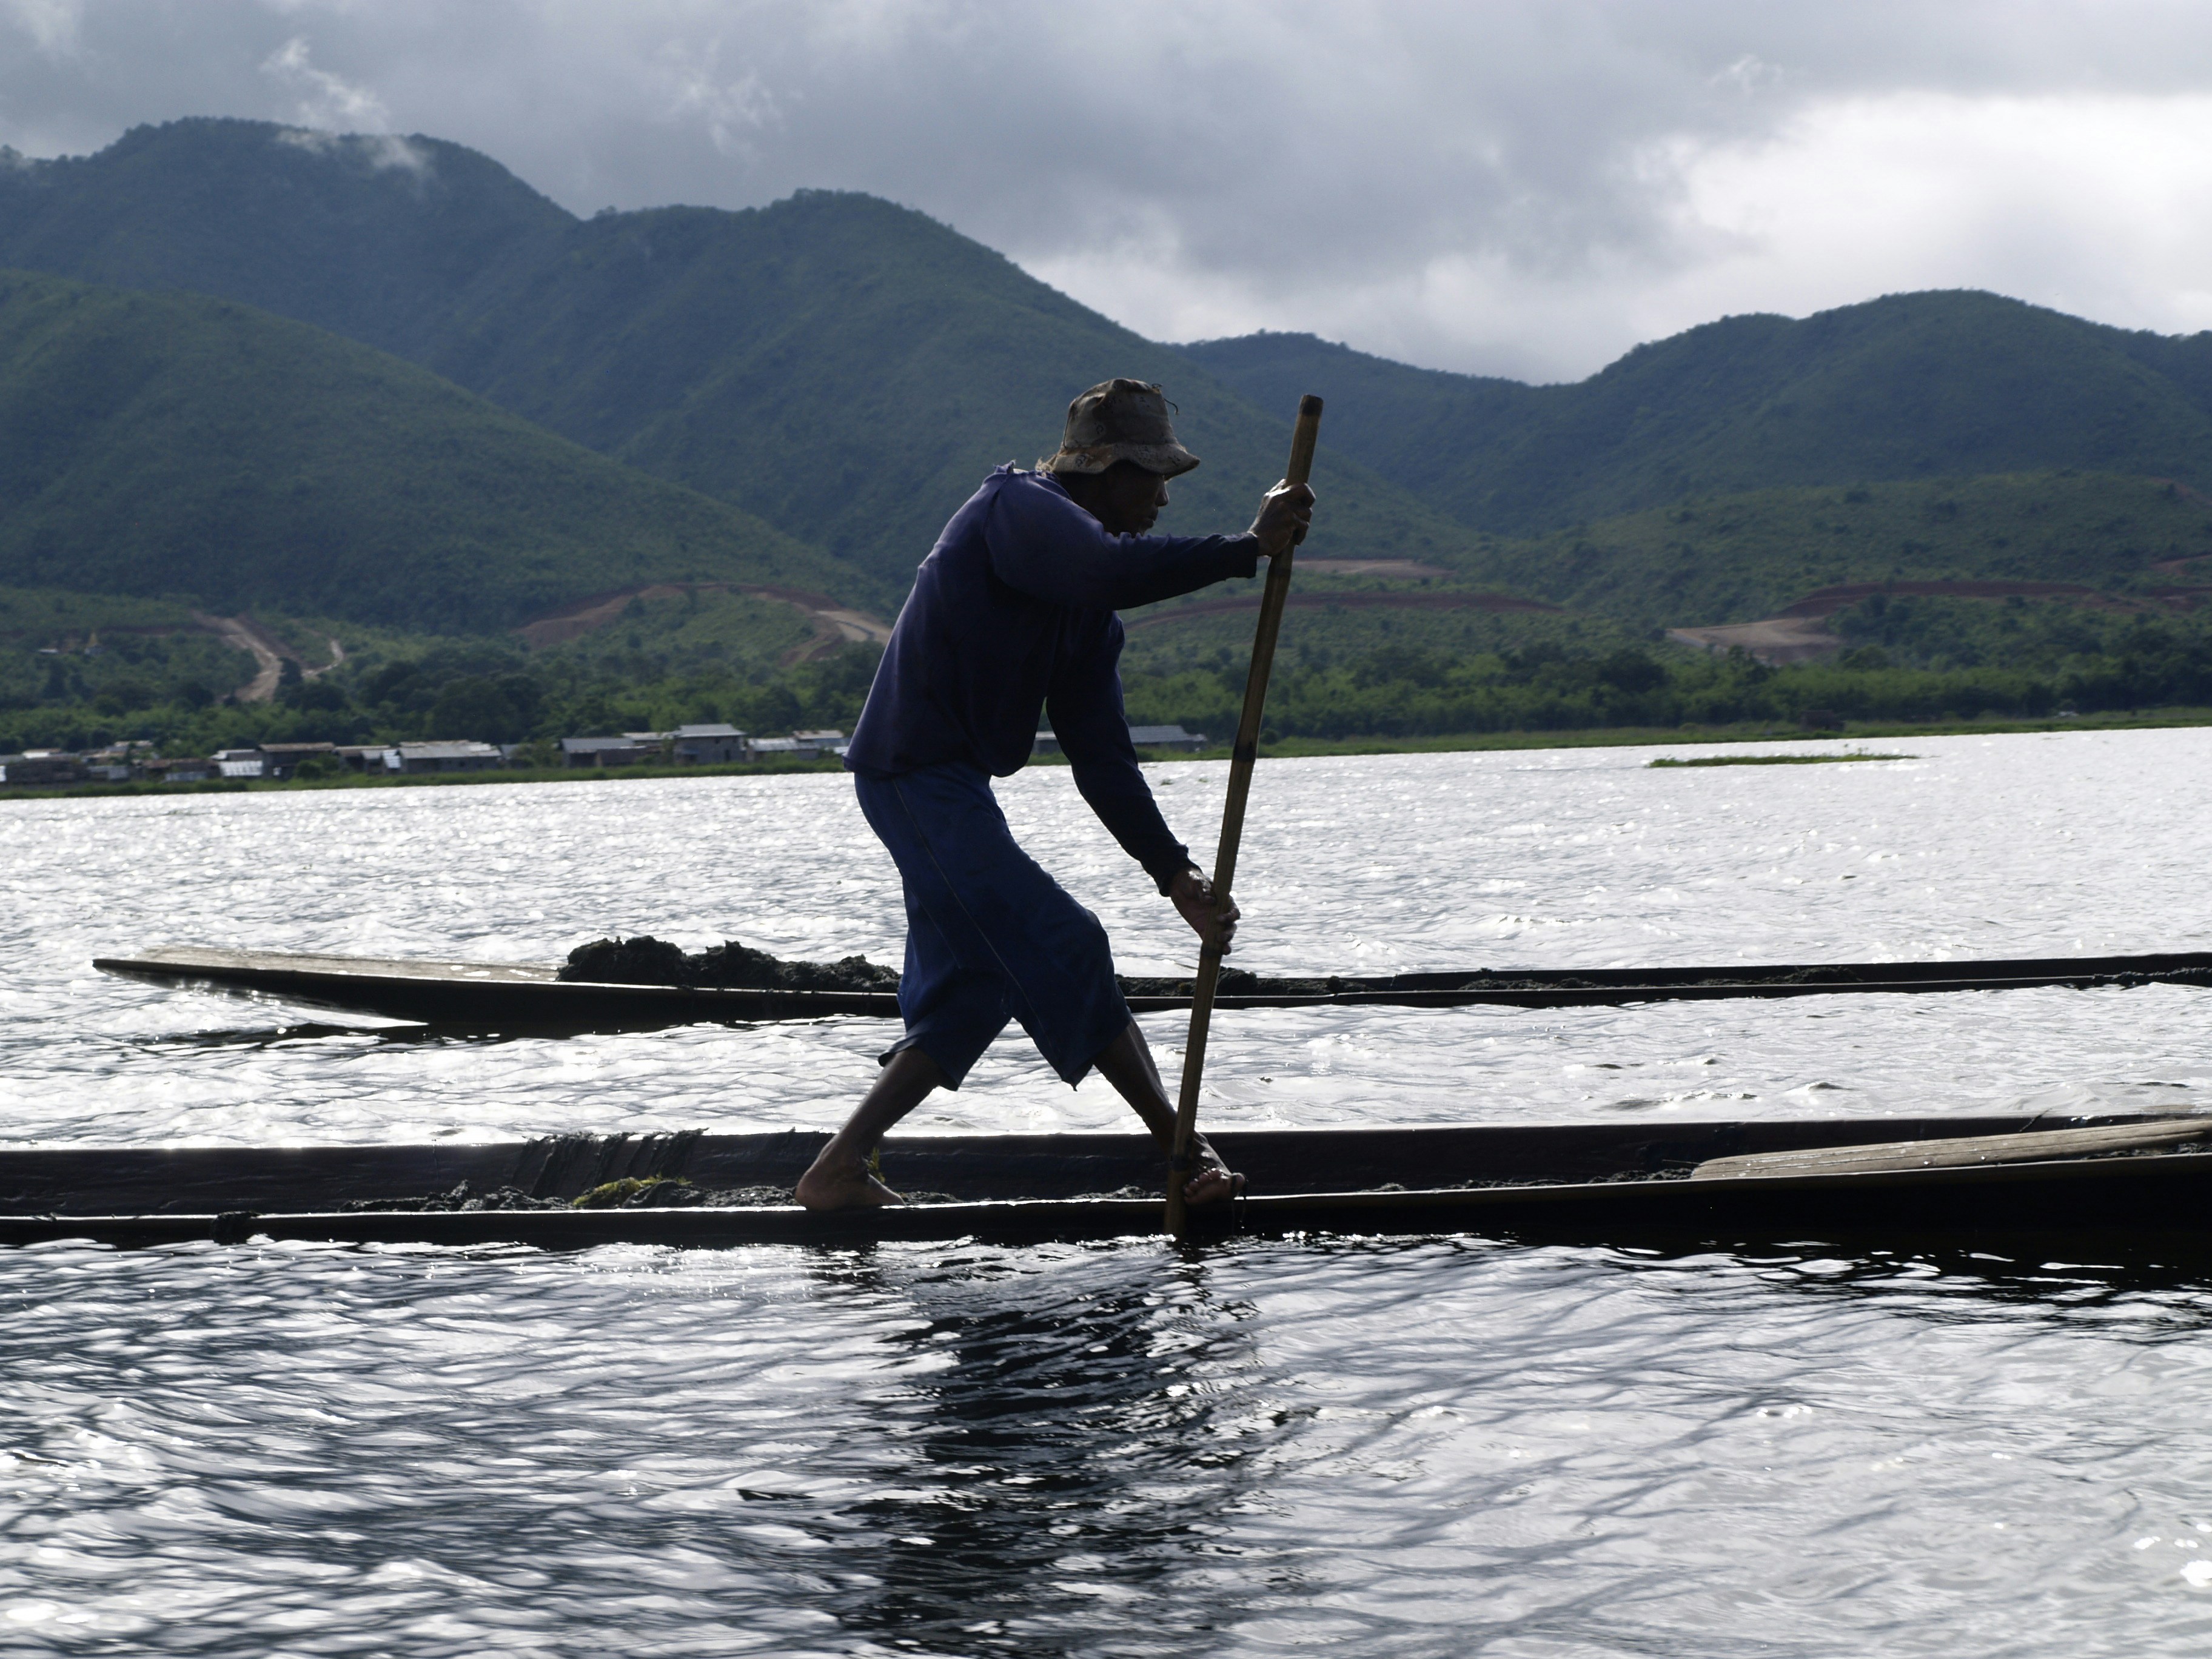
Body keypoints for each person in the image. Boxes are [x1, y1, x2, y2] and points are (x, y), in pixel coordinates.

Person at [794, 378, 1316, 1211]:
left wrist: (1175, 876)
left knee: (979, 989)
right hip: (909, 777)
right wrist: (1249, 547)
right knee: (1064, 940)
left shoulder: (1088, 622)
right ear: (1105, 469)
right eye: (1153, 477)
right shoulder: (1017, 508)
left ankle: (837, 1169)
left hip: (952, 790)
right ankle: (1184, 1154)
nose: (1162, 497)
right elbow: (1106, 568)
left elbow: (1103, 760)